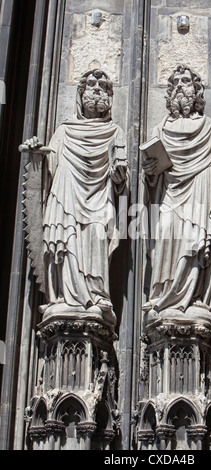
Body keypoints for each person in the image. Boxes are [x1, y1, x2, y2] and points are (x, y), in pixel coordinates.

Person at [142, 64, 211, 325]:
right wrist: (150, 171)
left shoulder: (210, 129)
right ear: (169, 93)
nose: (180, 85)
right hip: (170, 194)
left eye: (187, 81)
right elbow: (151, 180)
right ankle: (163, 298)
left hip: (201, 193)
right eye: (176, 81)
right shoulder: (159, 130)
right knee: (166, 233)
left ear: (197, 90)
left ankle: (195, 299)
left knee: (197, 243)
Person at [23, 69, 128, 327]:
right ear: (80, 94)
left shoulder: (115, 132)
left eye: (103, 87)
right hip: (66, 195)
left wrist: (119, 176)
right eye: (91, 85)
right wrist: (37, 154)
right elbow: (48, 171)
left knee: (95, 238)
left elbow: (122, 180)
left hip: (98, 200)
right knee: (66, 243)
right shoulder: (64, 131)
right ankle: (64, 299)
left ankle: (96, 297)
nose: (96, 90)